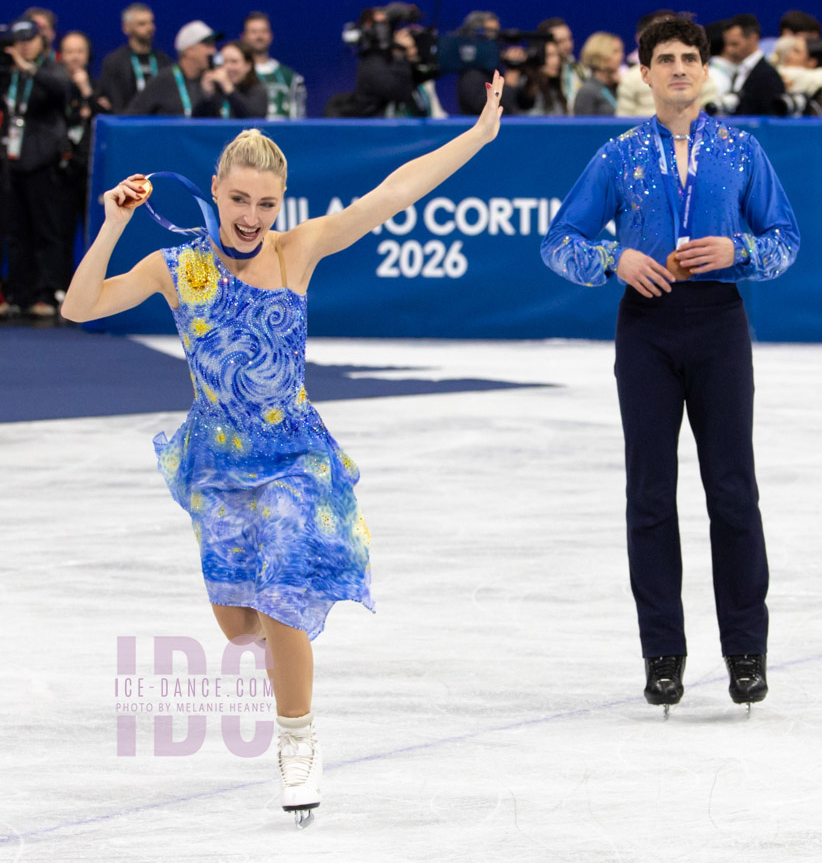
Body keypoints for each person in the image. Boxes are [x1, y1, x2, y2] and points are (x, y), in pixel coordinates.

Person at [60, 73, 505, 821]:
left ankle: (297, 740)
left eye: (266, 204)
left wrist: (480, 133)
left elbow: (390, 195)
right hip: (218, 463)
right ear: (215, 191)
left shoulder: (297, 251)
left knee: (285, 587)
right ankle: (283, 664)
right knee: (242, 627)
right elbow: (78, 307)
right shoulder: (177, 268)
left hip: (293, 455)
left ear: (281, 204)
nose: (251, 216)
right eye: (239, 200)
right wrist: (111, 224)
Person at [541, 16, 799, 713]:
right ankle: (662, 657)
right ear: (644, 73)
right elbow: (559, 239)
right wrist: (610, 257)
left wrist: (738, 252)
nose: (679, 69)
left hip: (717, 324)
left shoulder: (740, 150)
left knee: (731, 493)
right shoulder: (618, 154)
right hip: (647, 331)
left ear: (705, 72)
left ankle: (746, 653)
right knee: (650, 497)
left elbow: (784, 237)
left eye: (690, 58)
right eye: (665, 59)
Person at [0, 16, 71, 317]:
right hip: (12, 163)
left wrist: (29, 69)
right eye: (19, 41)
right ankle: (18, 292)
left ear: (41, 41)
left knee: (46, 232)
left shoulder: (51, 69)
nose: (24, 46)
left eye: (30, 40)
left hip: (42, 163)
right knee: (16, 233)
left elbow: (62, 92)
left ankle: (46, 293)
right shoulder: (8, 73)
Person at [58, 30, 98, 297]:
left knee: (93, 232)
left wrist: (86, 91)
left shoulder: (96, 87)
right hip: (60, 170)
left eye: (79, 51)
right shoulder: (54, 85)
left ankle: (91, 290)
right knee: (60, 232)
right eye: (69, 51)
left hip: (91, 170)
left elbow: (103, 116)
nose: (74, 57)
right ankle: (61, 287)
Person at [124, 20, 222, 116]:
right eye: (208, 45)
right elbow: (132, 117)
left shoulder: (215, 81)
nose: (213, 51)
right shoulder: (163, 81)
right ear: (189, 50)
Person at [98, 3, 173, 113]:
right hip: (126, 123)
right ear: (126, 28)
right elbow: (114, 101)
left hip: (158, 123)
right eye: (142, 24)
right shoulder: (114, 62)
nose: (149, 28)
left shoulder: (164, 61)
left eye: (151, 22)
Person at [241, 12, 306, 120]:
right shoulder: (237, 75)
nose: (259, 36)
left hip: (281, 135)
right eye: (253, 32)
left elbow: (298, 118)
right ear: (243, 36)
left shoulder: (288, 77)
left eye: (264, 31)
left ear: (271, 35)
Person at [722, 14, 785, 115]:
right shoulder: (739, 70)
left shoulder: (768, 76)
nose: (729, 50)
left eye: (734, 44)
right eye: (727, 44)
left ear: (753, 38)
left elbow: (771, 118)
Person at [197, 40, 269, 118]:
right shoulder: (216, 89)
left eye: (234, 62)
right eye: (224, 61)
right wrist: (207, 97)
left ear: (248, 65)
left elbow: (254, 118)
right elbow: (195, 122)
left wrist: (229, 89)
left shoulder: (257, 89)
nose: (228, 67)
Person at [537, 17, 585, 112]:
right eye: (560, 41)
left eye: (569, 39)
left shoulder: (579, 70)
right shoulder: (535, 79)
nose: (568, 45)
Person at [573, 31, 624, 115]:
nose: (621, 55)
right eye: (615, 51)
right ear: (600, 54)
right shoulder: (587, 91)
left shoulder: (617, 87)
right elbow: (583, 126)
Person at [516, 39, 568, 116]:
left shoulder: (555, 88)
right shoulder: (525, 88)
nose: (556, 61)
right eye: (549, 55)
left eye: (557, 55)